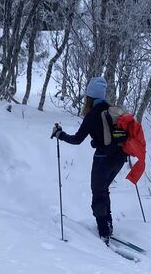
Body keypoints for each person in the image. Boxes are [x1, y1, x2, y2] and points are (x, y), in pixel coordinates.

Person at [52, 76, 129, 241]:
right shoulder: (112, 110)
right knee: (103, 190)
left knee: (97, 194)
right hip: (121, 157)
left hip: (104, 159)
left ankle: (104, 231)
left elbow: (77, 139)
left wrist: (60, 135)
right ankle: (107, 225)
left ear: (89, 96)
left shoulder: (93, 114)